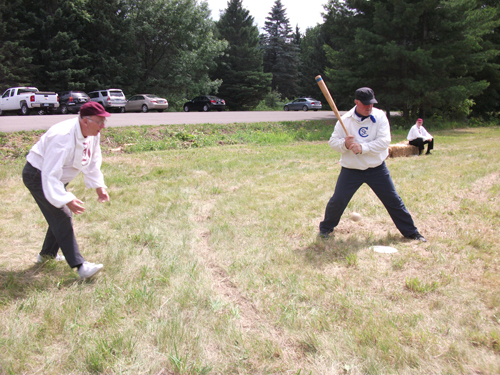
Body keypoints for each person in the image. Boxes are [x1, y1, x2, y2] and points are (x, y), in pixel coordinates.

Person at [319, 87, 426, 242]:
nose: (369, 107)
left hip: (376, 169)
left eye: (371, 103)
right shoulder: (346, 119)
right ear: (356, 102)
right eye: (365, 104)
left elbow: (384, 142)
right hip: (351, 170)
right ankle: (325, 229)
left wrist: (363, 148)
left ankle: (411, 232)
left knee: (393, 200)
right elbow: (332, 142)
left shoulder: (379, 116)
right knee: (338, 201)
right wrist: (345, 144)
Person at [23, 102, 111, 279]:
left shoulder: (93, 132)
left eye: (104, 122)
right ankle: (80, 266)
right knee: (63, 214)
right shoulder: (62, 136)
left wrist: (99, 186)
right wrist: (65, 198)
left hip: (55, 178)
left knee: (57, 215)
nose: (103, 126)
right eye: (100, 122)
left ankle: (47, 255)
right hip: (38, 177)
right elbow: (49, 173)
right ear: (85, 121)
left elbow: (93, 159)